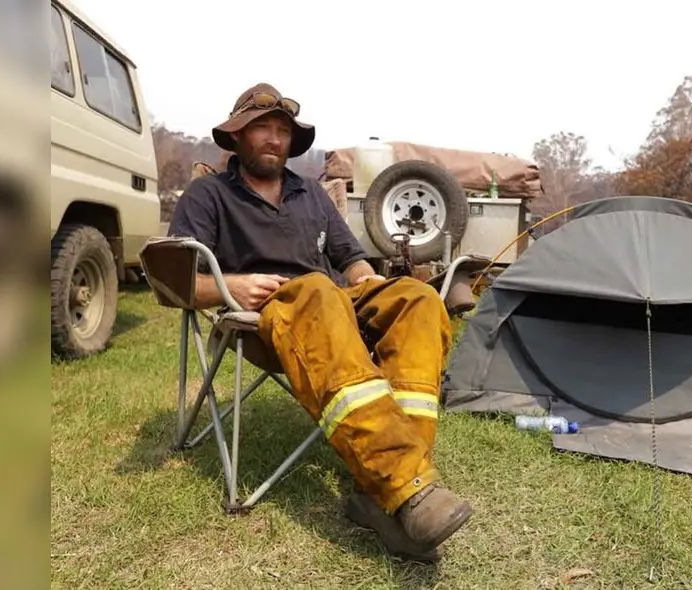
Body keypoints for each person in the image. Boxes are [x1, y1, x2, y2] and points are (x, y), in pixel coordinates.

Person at [167, 83, 472, 561]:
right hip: (265, 322)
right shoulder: (209, 194)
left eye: (282, 130)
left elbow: (350, 258)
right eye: (261, 128)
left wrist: (370, 282)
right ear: (237, 136)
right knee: (315, 289)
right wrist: (232, 286)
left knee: (417, 300)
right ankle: (406, 489)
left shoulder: (310, 193)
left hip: (334, 310)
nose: (274, 139)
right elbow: (176, 280)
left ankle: (383, 494)